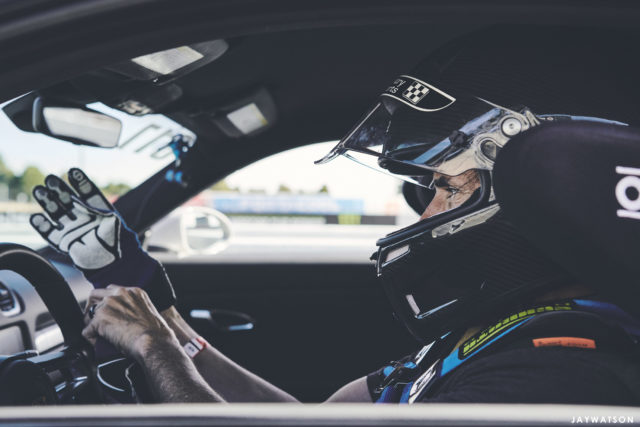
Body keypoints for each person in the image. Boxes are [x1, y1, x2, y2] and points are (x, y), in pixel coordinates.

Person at [29, 26, 640, 404]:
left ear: (549, 191)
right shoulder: (496, 333)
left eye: (444, 187)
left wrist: (155, 350)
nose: (422, 211)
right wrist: (160, 313)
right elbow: (307, 420)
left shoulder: (560, 374)